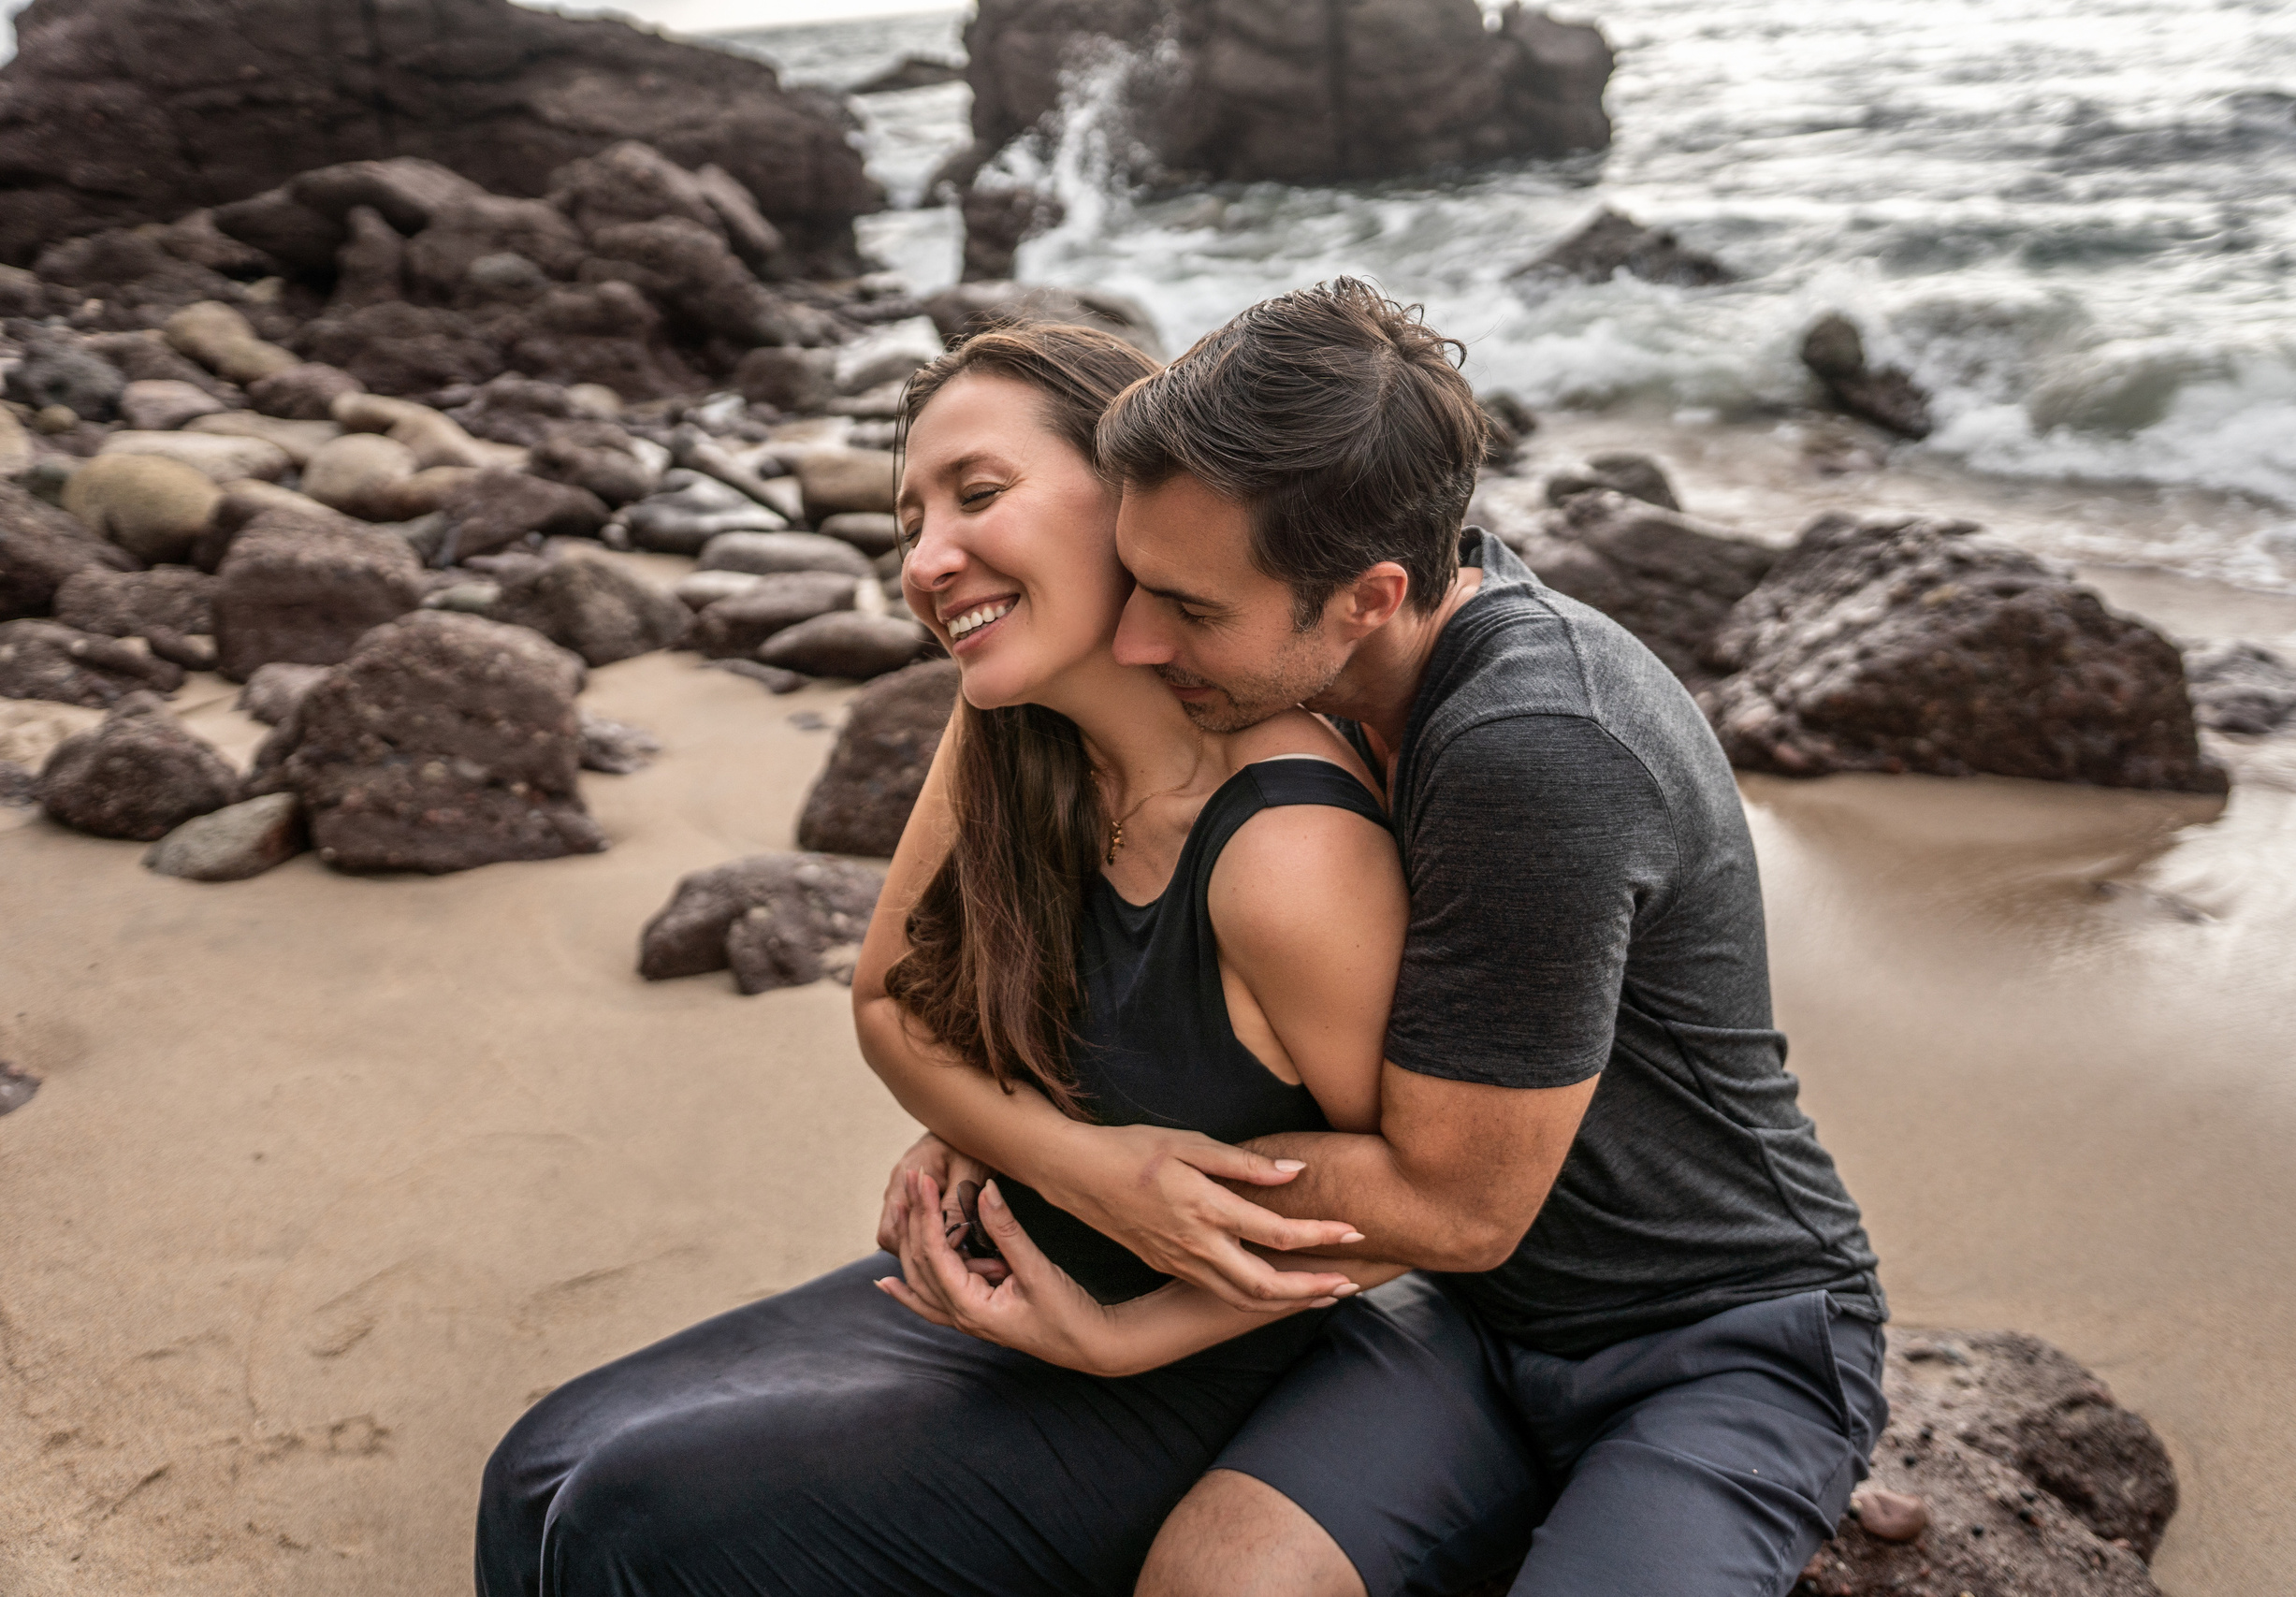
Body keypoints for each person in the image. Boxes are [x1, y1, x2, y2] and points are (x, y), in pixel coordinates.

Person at [867, 280, 1889, 1597]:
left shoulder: (1538, 747)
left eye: (1185, 606)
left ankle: (1795, 1456)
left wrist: (1088, 1161)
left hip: (1714, 1333)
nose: (1134, 635)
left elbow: (1453, 1207)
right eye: (1139, 581)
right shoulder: (1339, 650)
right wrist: (1032, 1110)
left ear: (1366, 597)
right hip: (1467, 1322)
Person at [473, 321, 1417, 1597]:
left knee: (628, 1522)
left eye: (979, 495)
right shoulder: (1008, 731)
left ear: (1141, 499)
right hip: (1005, 1265)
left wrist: (1121, 1336)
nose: (927, 561)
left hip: (1206, 1361)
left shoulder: (1286, 850)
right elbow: (886, 1007)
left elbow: (1406, 1213)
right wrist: (1078, 1158)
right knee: (537, 1469)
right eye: (910, 520)